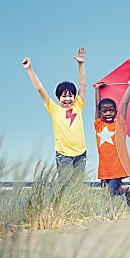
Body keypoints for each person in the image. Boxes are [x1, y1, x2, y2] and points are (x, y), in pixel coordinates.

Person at [22, 47, 88, 178]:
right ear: (58, 98)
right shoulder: (54, 109)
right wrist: (29, 69)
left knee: (77, 187)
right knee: (65, 186)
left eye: (70, 96)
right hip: (63, 155)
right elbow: (40, 88)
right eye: (64, 96)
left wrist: (81, 64)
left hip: (81, 154)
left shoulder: (78, 106)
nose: (68, 99)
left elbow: (83, 85)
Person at [94, 81, 130, 206]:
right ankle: (110, 216)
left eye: (111, 111)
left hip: (117, 167)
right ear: (101, 113)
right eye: (105, 111)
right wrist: (97, 90)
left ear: (115, 111)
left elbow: (124, 103)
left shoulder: (120, 125)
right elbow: (97, 106)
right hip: (104, 168)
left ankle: (128, 188)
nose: (108, 113)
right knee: (106, 195)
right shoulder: (98, 125)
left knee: (111, 192)